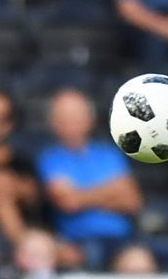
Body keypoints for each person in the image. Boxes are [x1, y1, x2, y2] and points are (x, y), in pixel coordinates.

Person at [36, 88, 143, 271]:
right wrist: (112, 190)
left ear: (89, 119)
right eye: (63, 117)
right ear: (52, 122)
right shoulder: (49, 158)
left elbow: (132, 201)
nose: (70, 123)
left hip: (122, 240)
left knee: (144, 261)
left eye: (76, 116)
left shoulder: (109, 154)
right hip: (78, 241)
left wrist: (82, 196)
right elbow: (67, 201)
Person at [0, 90, 40, 247]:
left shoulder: (22, 161)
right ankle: (26, 249)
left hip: (25, 227)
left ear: (9, 123)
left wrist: (12, 186)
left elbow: (34, 196)